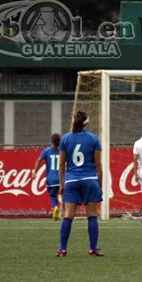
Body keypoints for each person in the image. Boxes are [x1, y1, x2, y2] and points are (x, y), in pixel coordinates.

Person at [57, 110, 103, 257]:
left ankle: (63, 249)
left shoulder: (65, 139)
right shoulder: (94, 139)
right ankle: (92, 248)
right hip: (89, 180)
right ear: (87, 123)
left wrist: (61, 183)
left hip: (71, 180)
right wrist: (99, 184)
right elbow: (98, 165)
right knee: (92, 215)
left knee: (68, 215)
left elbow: (61, 164)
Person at [32, 133, 63, 221]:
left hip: (51, 179)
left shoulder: (46, 151)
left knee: (53, 196)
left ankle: (55, 207)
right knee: (64, 196)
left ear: (52, 142)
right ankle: (64, 213)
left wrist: (35, 172)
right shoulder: (63, 151)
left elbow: (39, 160)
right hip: (61, 178)